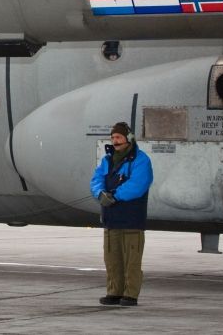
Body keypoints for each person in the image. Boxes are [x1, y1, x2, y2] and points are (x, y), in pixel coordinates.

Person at [90, 121, 153, 307]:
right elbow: (96, 179)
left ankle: (130, 294)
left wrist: (115, 195)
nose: (115, 141)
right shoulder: (107, 160)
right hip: (112, 219)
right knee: (112, 259)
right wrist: (100, 193)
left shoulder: (141, 160)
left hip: (132, 220)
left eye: (118, 137)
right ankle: (114, 292)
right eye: (113, 138)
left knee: (131, 260)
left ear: (129, 139)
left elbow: (139, 184)